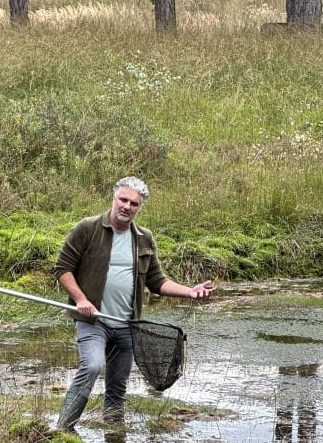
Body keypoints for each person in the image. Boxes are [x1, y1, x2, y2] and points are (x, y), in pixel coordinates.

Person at [53, 176, 213, 431]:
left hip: (127, 325)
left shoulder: (144, 238)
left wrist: (189, 292)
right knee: (92, 365)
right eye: (123, 200)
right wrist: (81, 300)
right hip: (92, 320)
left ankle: (114, 431)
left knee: (118, 386)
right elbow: (63, 268)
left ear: (140, 207)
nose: (127, 206)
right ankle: (64, 428)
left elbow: (157, 281)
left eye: (134, 203)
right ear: (113, 199)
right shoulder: (88, 228)